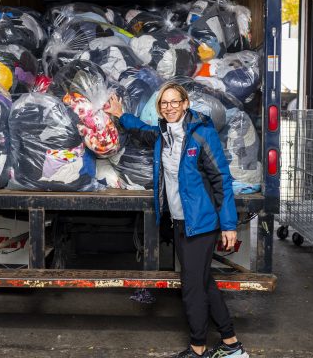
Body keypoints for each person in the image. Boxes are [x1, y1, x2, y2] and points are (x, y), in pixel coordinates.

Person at [105, 82, 249, 358]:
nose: (169, 107)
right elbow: (142, 132)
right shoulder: (162, 135)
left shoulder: (201, 135)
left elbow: (221, 180)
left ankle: (198, 348)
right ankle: (232, 344)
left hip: (203, 223)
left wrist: (229, 225)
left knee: (192, 288)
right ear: (160, 108)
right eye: (164, 103)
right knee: (204, 282)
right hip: (180, 222)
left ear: (185, 104)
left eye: (175, 102)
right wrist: (120, 114)